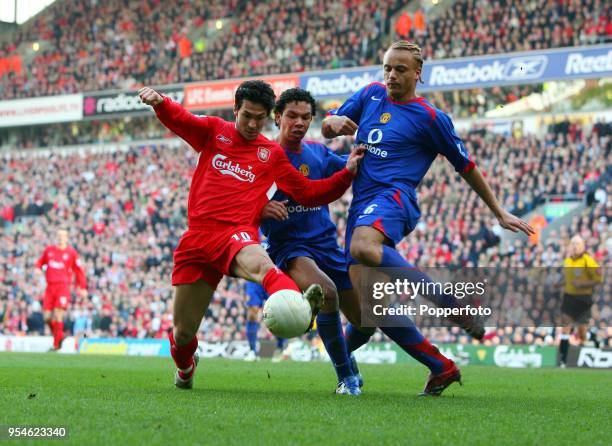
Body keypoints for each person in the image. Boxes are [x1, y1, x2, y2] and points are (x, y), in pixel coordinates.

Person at [321, 40, 535, 395]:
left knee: (363, 245)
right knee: (366, 315)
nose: (391, 75)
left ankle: (448, 301)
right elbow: (329, 125)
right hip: (361, 207)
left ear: (418, 74)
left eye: (400, 69)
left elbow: (465, 165)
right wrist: (332, 123)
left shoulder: (431, 118)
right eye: (388, 68)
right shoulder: (370, 95)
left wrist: (498, 211)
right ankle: (441, 367)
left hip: (395, 199)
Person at [138, 80, 364, 389]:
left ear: (268, 116)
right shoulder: (214, 131)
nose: (252, 124)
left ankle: (298, 305)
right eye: (246, 116)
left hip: (237, 234)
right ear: (235, 110)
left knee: (264, 267)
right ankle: (186, 366)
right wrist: (160, 102)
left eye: (259, 118)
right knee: (183, 333)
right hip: (198, 238)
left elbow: (308, 193)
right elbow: (182, 119)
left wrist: (346, 175)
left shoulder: (271, 154)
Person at [260, 88, 363, 395]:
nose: (299, 122)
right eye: (292, 115)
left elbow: (349, 165)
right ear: (278, 117)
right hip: (291, 248)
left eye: (306, 117)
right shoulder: (262, 157)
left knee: (366, 322)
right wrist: (260, 207)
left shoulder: (317, 153)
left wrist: (366, 152)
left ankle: (343, 357)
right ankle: (346, 378)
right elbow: (239, 197)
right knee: (327, 293)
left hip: (327, 245)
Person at [35, 229, 87, 351]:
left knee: (58, 315)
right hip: (50, 287)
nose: (60, 238)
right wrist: (37, 268)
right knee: (47, 317)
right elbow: (40, 262)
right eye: (58, 235)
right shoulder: (49, 251)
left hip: (63, 287)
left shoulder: (71, 253)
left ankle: (56, 344)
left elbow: (79, 271)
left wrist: (82, 287)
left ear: (67, 238)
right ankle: (60, 336)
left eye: (63, 236)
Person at [557, 235, 603, 367]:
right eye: (572, 243)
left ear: (583, 246)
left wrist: (582, 284)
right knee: (565, 327)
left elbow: (598, 279)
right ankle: (562, 360)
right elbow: (567, 279)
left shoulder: (588, 260)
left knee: (581, 331)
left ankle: (592, 338)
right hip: (569, 297)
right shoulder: (567, 261)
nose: (574, 246)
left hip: (583, 298)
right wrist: (559, 284)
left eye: (577, 244)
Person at [243, 281, 286, 362]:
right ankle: (252, 351)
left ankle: (280, 347)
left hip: (271, 276)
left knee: (276, 313)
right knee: (252, 313)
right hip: (253, 278)